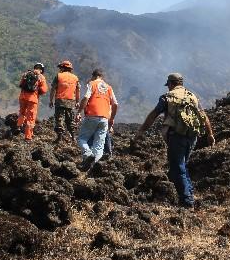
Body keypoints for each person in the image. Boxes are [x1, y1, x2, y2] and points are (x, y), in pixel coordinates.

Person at [133, 73, 216, 209]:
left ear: (171, 84)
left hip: (176, 136)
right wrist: (210, 134)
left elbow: (154, 114)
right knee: (181, 165)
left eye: (169, 85)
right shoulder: (192, 96)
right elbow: (204, 116)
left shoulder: (167, 97)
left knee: (178, 167)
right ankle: (186, 192)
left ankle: (187, 201)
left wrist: (141, 131)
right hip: (192, 136)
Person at [76, 69, 118, 173]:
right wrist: (111, 119)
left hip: (92, 115)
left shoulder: (92, 84)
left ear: (94, 76)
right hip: (104, 118)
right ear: (102, 77)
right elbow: (115, 104)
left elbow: (86, 97)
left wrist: (79, 112)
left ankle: (88, 154)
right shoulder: (109, 87)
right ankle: (94, 169)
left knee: (82, 139)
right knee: (99, 145)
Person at [49, 60, 80, 143]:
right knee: (71, 120)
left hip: (60, 101)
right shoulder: (75, 78)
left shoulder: (59, 76)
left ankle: (60, 138)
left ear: (63, 68)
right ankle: (73, 137)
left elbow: (53, 89)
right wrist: (77, 101)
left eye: (60, 67)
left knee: (60, 119)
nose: (60, 69)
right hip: (71, 101)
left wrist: (51, 100)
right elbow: (77, 91)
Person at [17, 63, 49, 142]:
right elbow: (44, 90)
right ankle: (28, 136)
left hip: (22, 97)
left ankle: (18, 126)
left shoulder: (26, 73)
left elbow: (20, 84)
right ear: (41, 70)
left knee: (22, 113)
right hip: (32, 99)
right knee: (31, 118)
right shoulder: (41, 77)